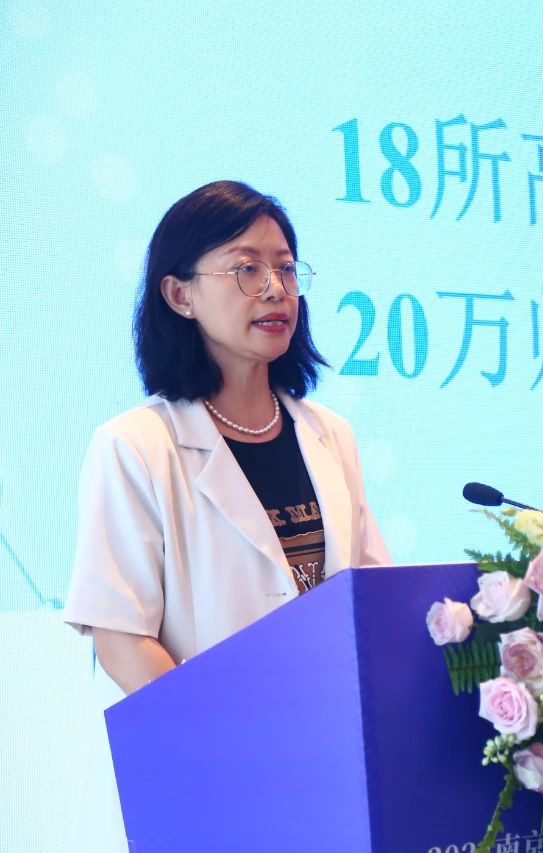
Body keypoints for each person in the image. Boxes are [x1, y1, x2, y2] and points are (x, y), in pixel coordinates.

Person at [62, 180, 390, 850]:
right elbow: (121, 637)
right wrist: (228, 750)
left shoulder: (329, 435)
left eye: (287, 269)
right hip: (211, 780)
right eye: (246, 269)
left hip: (329, 770)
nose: (275, 289)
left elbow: (370, 598)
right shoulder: (136, 444)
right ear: (179, 295)